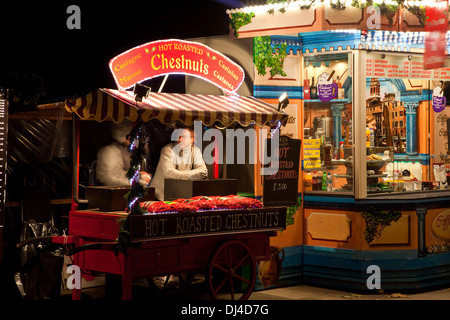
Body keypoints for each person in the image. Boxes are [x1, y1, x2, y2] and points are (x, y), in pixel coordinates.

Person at [150, 127, 207, 201]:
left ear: (192, 139)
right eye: (179, 137)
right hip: (160, 196)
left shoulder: (195, 151)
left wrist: (187, 175)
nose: (180, 140)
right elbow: (169, 173)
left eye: (184, 137)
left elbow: (203, 171)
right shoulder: (168, 150)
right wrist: (192, 176)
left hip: (179, 195)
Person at [96, 120, 151, 187]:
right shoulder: (110, 151)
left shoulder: (124, 149)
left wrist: (139, 175)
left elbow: (124, 174)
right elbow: (111, 178)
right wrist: (136, 181)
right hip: (112, 193)